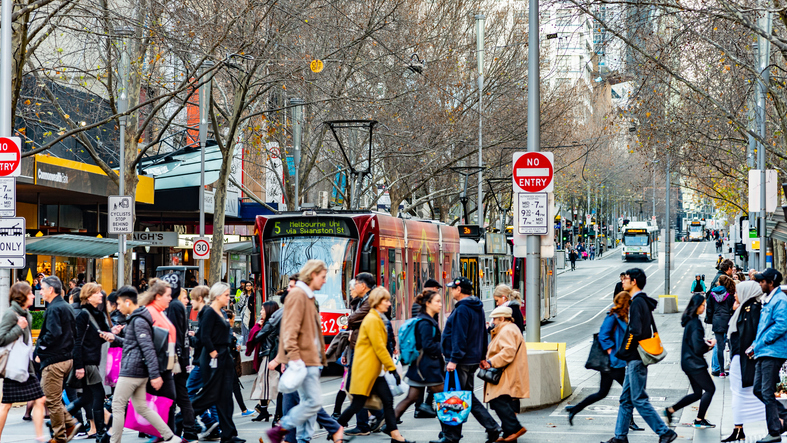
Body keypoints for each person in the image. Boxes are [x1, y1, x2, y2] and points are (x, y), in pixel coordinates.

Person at [604, 268, 676, 443]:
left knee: (638, 399)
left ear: (634, 281)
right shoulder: (641, 301)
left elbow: (635, 331)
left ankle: (664, 432)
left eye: (626, 278)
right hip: (634, 358)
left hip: (635, 358)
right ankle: (620, 437)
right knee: (626, 399)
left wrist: (624, 350)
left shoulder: (637, 302)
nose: (623, 281)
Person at [101, 287, 180, 443]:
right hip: (137, 371)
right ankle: (170, 436)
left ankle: (114, 441)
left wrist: (155, 375)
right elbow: (134, 344)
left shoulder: (138, 320)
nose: (118, 307)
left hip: (131, 371)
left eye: (119, 303)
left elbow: (148, 348)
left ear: (128, 301)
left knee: (117, 407)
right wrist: (114, 339)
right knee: (141, 408)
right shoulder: (139, 318)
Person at [335, 287, 412, 443]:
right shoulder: (372, 320)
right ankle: (335, 428)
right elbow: (379, 348)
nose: (389, 304)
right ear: (377, 302)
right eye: (386, 301)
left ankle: (396, 436)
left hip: (373, 371)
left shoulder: (377, 318)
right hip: (366, 371)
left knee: (386, 401)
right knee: (358, 404)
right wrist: (392, 369)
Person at [431, 276, 502, 443]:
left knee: (455, 397)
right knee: (465, 395)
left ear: (459, 289)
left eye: (452, 288)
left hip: (461, 361)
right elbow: (482, 334)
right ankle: (491, 428)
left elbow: (459, 336)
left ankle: (452, 436)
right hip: (470, 359)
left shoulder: (462, 309)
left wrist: (453, 360)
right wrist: (482, 356)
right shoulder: (477, 307)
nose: (450, 291)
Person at [266, 260, 330, 443]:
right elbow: (289, 331)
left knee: (309, 403)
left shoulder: (307, 296)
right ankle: (283, 428)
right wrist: (294, 360)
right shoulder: (298, 296)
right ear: (312, 275)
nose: (325, 281)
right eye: (323, 277)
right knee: (312, 403)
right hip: (303, 360)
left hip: (309, 359)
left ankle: (301, 438)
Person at [566, 292, 642, 431]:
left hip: (615, 362)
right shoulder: (613, 316)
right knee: (629, 392)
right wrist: (611, 351)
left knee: (602, 393)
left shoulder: (622, 317)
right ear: (625, 302)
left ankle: (575, 409)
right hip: (613, 362)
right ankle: (629, 422)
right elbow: (603, 335)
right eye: (629, 302)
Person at [191, 283, 243, 443]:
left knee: (225, 398)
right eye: (227, 295)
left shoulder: (220, 312)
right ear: (218, 295)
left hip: (224, 356)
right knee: (211, 395)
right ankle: (182, 419)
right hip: (215, 358)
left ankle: (228, 435)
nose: (229, 298)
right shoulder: (209, 312)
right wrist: (214, 353)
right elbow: (204, 336)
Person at [36, 276, 83, 443]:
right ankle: (68, 426)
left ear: (50, 290)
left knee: (51, 399)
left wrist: (40, 350)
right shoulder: (66, 307)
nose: (40, 292)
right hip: (66, 358)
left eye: (42, 288)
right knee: (53, 398)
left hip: (54, 360)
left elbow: (52, 334)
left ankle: (61, 434)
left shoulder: (55, 308)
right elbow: (73, 334)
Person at [0, 282, 46, 442]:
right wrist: (19, 327)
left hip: (26, 366)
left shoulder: (27, 314)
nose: (34, 295)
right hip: (14, 366)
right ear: (22, 296)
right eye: (30, 293)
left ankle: (40, 437)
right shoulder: (11, 314)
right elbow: (1, 339)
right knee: (6, 404)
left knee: (40, 399)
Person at [664, 293, 716, 428]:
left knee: (698, 393)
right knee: (710, 389)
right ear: (697, 306)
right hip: (695, 364)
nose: (704, 308)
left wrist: (704, 343)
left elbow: (694, 342)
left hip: (688, 362)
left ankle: (671, 410)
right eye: (703, 305)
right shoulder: (696, 323)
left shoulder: (689, 320)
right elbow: (698, 347)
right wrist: (710, 345)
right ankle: (699, 420)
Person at [723, 280, 765, 442]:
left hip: (745, 359)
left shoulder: (752, 309)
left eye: (737, 291)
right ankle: (738, 428)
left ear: (746, 292)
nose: (734, 294)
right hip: (738, 358)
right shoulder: (743, 308)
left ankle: (780, 419)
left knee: (748, 393)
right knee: (738, 393)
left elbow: (752, 334)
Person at [479, 306, 528, 442]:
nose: (493, 322)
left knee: (498, 399)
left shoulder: (507, 330)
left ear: (502, 318)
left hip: (507, 373)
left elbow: (508, 352)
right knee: (505, 401)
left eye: (495, 319)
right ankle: (508, 434)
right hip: (508, 372)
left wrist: (490, 362)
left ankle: (515, 428)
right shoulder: (509, 328)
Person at [69, 282, 111, 441]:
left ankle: (61, 418)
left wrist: (111, 333)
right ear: (88, 296)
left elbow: (100, 337)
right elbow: (77, 342)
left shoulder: (98, 314)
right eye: (97, 293)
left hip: (92, 359)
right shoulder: (83, 314)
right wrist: (79, 366)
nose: (101, 295)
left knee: (87, 396)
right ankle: (101, 433)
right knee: (98, 394)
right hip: (87, 361)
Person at [344, 272, 384, 436]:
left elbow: (352, 320)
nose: (354, 287)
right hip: (358, 346)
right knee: (360, 387)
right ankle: (378, 416)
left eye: (356, 284)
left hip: (363, 347)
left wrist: (351, 320)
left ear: (363, 285)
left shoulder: (370, 300)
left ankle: (365, 423)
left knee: (355, 386)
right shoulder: (362, 300)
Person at [395, 290, 444, 420]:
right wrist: (444, 347)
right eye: (437, 302)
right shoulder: (425, 323)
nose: (440, 305)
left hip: (421, 366)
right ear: (428, 303)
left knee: (412, 397)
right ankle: (450, 433)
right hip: (428, 367)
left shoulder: (425, 320)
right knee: (446, 399)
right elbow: (428, 345)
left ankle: (389, 424)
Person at [750, 268, 787, 443]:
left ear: (771, 283)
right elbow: (764, 328)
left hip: (773, 352)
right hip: (764, 351)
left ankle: (774, 432)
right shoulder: (768, 300)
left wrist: (762, 342)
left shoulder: (780, 300)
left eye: (762, 281)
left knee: (766, 391)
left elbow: (781, 325)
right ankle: (784, 417)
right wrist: (755, 345)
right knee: (758, 389)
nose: (760, 284)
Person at [185, 286, 221, 440]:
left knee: (189, 391)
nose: (189, 302)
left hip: (203, 361)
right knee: (209, 393)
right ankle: (214, 425)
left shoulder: (205, 313)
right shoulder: (207, 313)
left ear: (199, 299)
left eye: (192, 298)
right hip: (206, 361)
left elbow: (202, 340)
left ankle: (209, 421)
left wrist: (190, 338)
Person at [166, 279, 199, 440]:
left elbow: (175, 334)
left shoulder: (173, 306)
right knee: (181, 395)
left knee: (176, 396)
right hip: (182, 357)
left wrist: (174, 358)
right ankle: (186, 429)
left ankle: (177, 431)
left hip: (177, 358)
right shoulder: (177, 307)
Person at [246, 301, 282, 422]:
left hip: (269, 356)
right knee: (266, 383)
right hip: (271, 355)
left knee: (267, 384)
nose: (260, 312)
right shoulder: (275, 323)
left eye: (262, 309)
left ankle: (277, 412)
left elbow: (255, 337)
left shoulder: (270, 324)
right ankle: (265, 411)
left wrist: (257, 326)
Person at [707, 276, 736, 377]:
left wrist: (710, 320)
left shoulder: (711, 294)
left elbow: (709, 309)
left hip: (717, 321)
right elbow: (733, 308)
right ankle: (733, 367)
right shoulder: (730, 294)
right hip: (728, 321)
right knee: (732, 345)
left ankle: (721, 371)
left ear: (719, 283)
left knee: (720, 347)